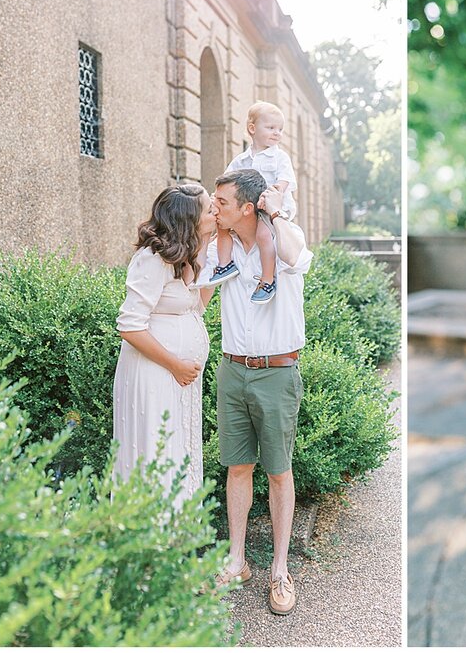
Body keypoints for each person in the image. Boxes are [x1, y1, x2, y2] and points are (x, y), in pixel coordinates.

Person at [206, 169, 312, 616]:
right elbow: (199, 292)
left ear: (248, 207)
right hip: (232, 371)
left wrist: (275, 209)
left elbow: (295, 254)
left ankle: (280, 569)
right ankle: (236, 561)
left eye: (223, 203)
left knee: (279, 472)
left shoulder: (283, 240)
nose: (216, 208)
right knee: (237, 468)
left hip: (276, 373)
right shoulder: (221, 248)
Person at [113, 183, 218, 509]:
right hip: (155, 374)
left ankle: (179, 536)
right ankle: (152, 541)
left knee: (180, 450)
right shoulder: (151, 260)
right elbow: (130, 326)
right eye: (208, 208)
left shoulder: (185, 257)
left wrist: (204, 253)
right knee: (158, 451)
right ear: (189, 218)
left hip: (179, 378)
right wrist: (175, 364)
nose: (215, 210)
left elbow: (197, 307)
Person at [199, 101, 297, 307]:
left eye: (280, 129)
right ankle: (225, 264)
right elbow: (226, 179)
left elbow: (285, 181)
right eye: (271, 128)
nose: (277, 133)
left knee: (263, 235)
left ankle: (268, 279)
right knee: (222, 224)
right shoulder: (242, 159)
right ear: (252, 129)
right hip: (247, 206)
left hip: (270, 206)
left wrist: (272, 195)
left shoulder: (279, 157)